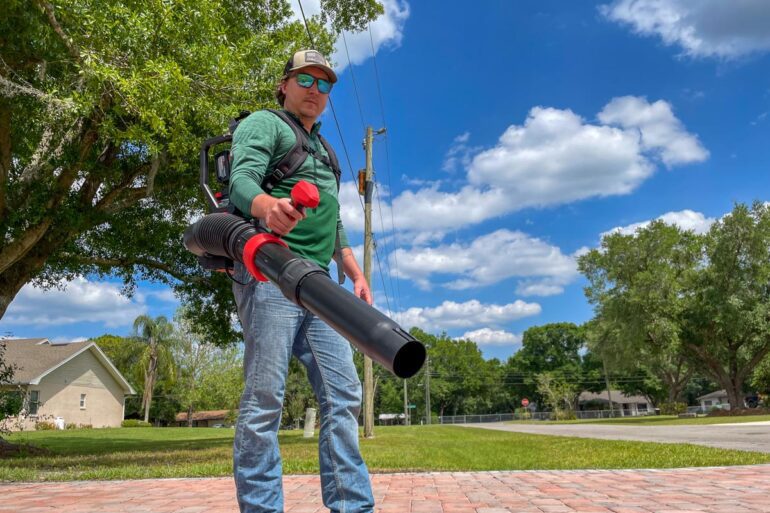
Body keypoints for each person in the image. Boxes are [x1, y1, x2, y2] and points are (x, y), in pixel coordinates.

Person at [227, 49, 375, 513]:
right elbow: (240, 181)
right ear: (285, 85)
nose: (316, 91)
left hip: (320, 284)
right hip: (270, 273)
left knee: (344, 393)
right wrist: (266, 207)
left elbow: (334, 223)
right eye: (306, 81)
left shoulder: (326, 151)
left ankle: (353, 506)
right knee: (266, 397)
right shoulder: (265, 124)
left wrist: (354, 272)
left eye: (325, 85)